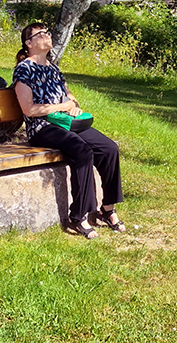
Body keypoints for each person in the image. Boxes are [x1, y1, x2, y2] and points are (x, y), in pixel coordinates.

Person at [12, 22, 125, 239]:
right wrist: (62, 107)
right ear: (28, 43)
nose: (47, 36)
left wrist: (73, 106)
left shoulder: (53, 68)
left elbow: (69, 95)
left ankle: (107, 209)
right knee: (81, 151)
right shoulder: (24, 70)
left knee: (109, 148)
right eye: (41, 34)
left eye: (48, 33)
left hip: (66, 123)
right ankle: (79, 216)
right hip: (42, 128)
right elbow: (29, 109)